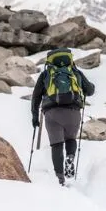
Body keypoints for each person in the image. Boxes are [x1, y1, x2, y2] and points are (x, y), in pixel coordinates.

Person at [31, 47, 95, 185]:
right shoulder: (75, 72)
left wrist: (35, 116)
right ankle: (70, 156)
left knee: (57, 145)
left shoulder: (46, 74)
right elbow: (90, 91)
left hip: (52, 114)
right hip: (73, 113)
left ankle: (60, 179)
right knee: (70, 139)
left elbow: (36, 97)